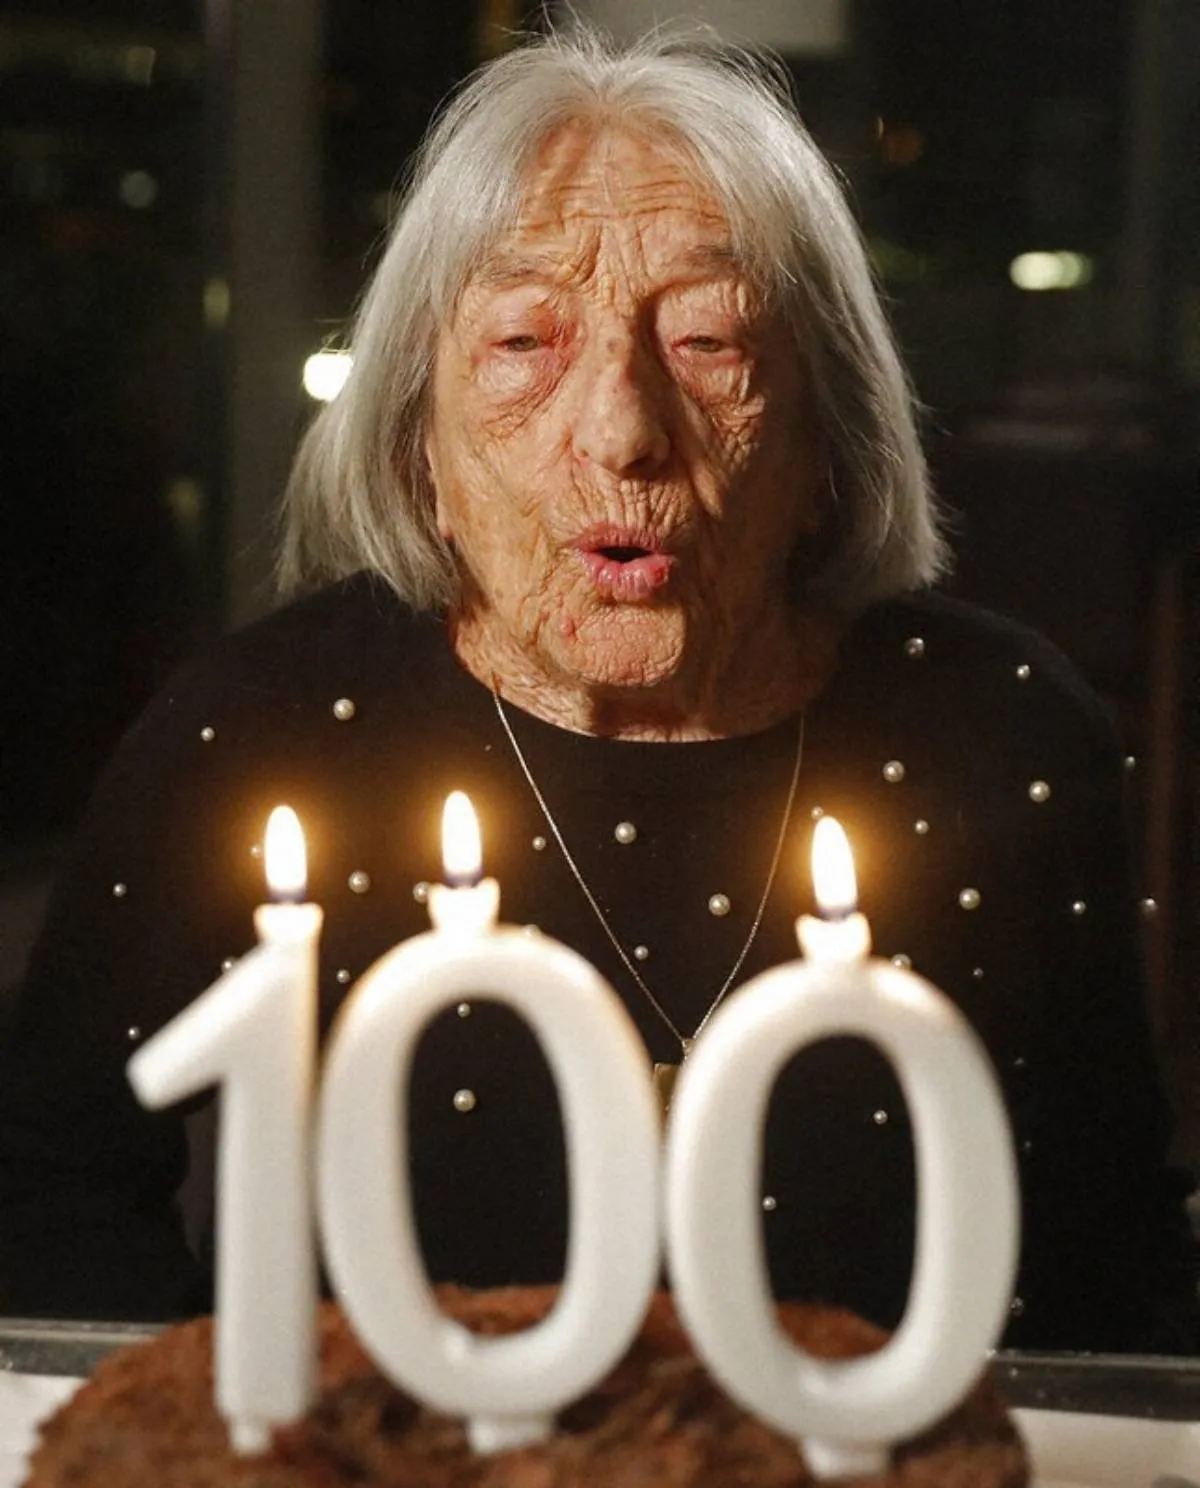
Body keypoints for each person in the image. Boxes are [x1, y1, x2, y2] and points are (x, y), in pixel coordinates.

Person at [0, 26, 1195, 1351]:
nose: (623, 427)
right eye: (524, 341)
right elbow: (47, 1182)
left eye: (708, 343)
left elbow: (1110, 1261)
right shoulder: (262, 732)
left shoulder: (1001, 731)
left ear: (828, 447)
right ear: (419, 456)